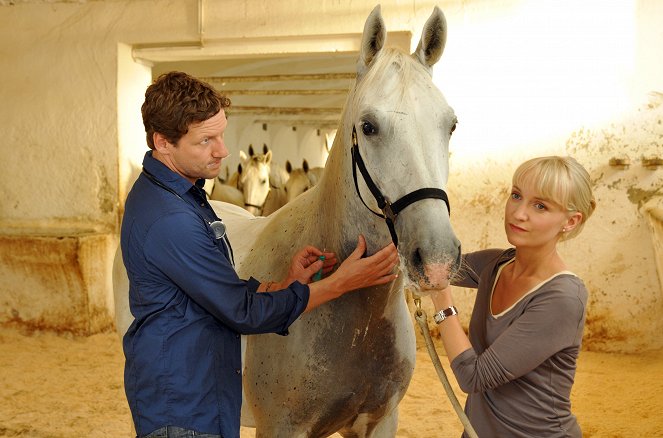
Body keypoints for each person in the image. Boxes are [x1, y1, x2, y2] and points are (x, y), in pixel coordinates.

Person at [120, 71, 399, 438]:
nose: (221, 150)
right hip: (182, 405)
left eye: (221, 135)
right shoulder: (169, 218)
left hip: (197, 388)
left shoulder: (182, 194)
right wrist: (340, 284)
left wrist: (284, 284)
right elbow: (242, 313)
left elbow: (219, 290)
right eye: (206, 141)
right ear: (163, 142)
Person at [430, 156, 596, 437]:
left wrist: (441, 299)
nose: (518, 213)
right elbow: (428, 265)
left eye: (540, 206)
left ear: (570, 221)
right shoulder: (494, 264)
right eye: (516, 195)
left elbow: (474, 377)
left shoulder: (563, 298)